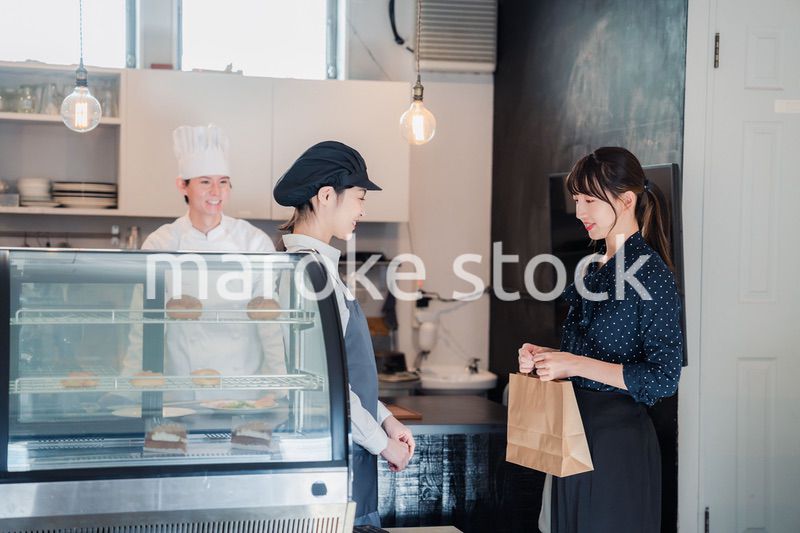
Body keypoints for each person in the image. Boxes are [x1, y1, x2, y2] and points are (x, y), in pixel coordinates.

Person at [518, 147, 682, 532]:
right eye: (577, 199)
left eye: (589, 200)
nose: (579, 212)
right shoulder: (594, 268)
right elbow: (586, 354)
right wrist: (547, 357)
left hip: (616, 445)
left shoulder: (652, 275)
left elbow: (663, 378)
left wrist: (571, 364)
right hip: (572, 433)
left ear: (627, 200)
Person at [273, 140, 415, 527]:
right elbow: (323, 385)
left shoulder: (319, 270)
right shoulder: (309, 275)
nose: (363, 209)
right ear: (325, 196)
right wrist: (383, 443)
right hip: (332, 459)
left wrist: (386, 420)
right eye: (358, 197)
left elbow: (344, 376)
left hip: (347, 448)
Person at [123, 124, 284, 394]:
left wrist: (282, 388)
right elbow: (142, 325)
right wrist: (127, 386)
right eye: (205, 182)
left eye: (223, 182)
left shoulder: (254, 243)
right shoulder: (161, 243)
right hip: (182, 391)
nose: (216, 192)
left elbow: (270, 325)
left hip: (243, 391)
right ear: (182, 186)